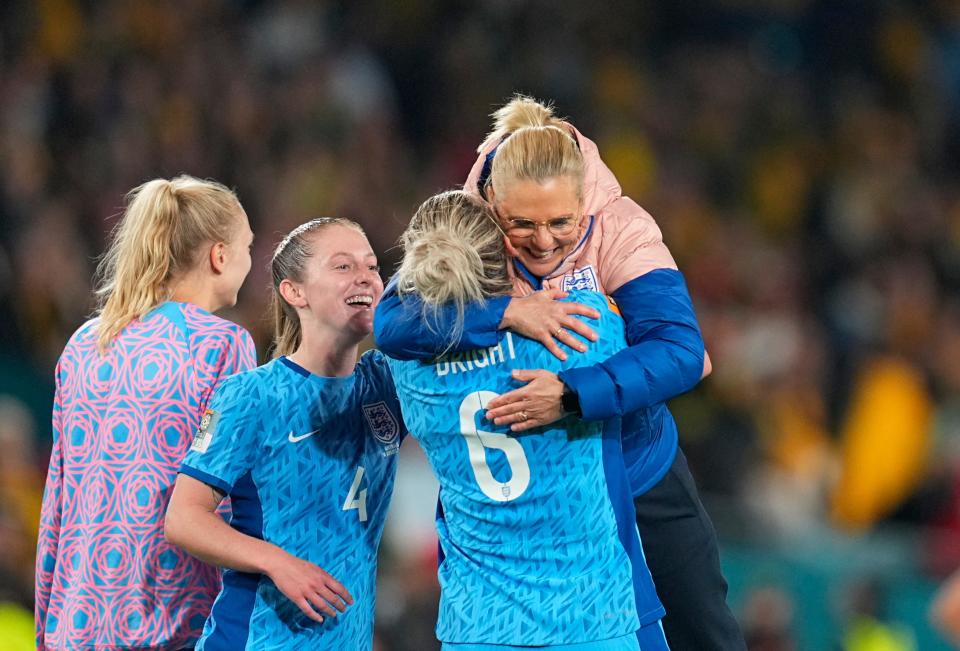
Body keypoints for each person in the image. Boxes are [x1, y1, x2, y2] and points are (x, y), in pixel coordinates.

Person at [375, 96, 745, 650]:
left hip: (637, 466)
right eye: (520, 223)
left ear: (586, 202)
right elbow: (394, 324)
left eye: (561, 222)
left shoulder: (622, 226)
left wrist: (573, 395)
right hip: (535, 497)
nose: (543, 242)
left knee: (703, 633)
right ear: (492, 199)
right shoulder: (466, 224)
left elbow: (681, 351)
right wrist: (505, 311)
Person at [386, 190, 669, 651]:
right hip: (594, 614)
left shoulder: (406, 368)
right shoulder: (582, 326)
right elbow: (674, 358)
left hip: (477, 625)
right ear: (506, 252)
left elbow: (400, 318)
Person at [35, 175, 257, 650]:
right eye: (247, 247)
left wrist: (46, 630)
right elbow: (232, 496)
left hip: (73, 626)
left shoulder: (83, 343)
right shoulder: (222, 345)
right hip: (170, 627)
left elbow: (57, 499)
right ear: (220, 255)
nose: (249, 261)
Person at [164, 217, 406, 650]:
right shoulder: (252, 396)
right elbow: (184, 519)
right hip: (256, 637)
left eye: (372, 266)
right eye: (343, 267)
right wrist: (278, 563)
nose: (366, 278)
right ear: (295, 292)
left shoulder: (387, 385)